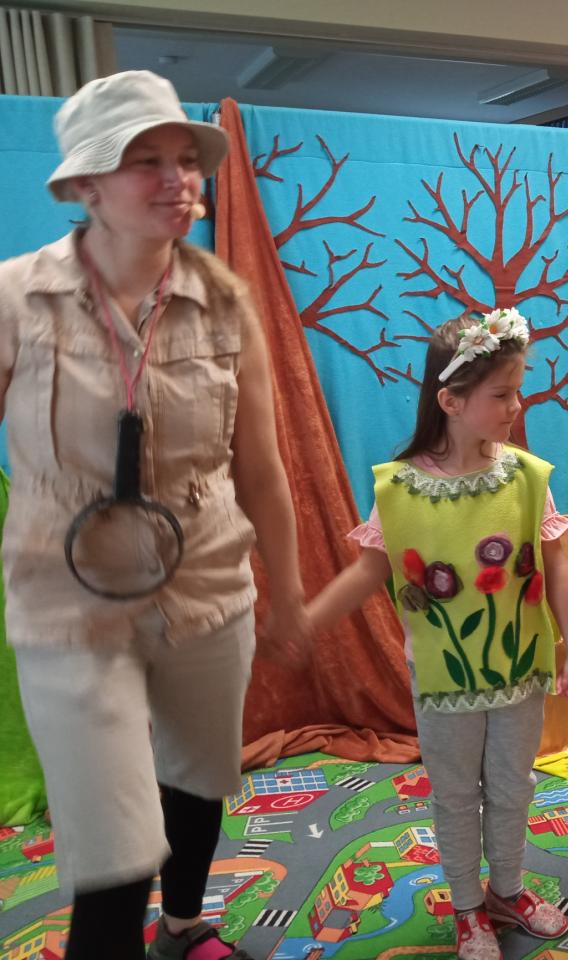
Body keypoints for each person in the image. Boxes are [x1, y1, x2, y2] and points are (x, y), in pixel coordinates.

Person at [0, 71, 310, 960]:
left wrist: (288, 595)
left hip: (205, 575)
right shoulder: (16, 298)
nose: (178, 179)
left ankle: (183, 926)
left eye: (186, 159)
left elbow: (261, 467)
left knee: (199, 777)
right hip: (69, 592)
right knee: (115, 845)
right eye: (146, 161)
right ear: (86, 186)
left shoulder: (228, 302)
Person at [305, 309, 568, 960]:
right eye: (502, 394)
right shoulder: (400, 488)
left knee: (514, 785)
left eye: (518, 391)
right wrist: (307, 621)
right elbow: (367, 573)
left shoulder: (528, 477)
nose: (516, 407)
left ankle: (507, 890)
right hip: (444, 677)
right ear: (451, 401)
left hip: (520, 669)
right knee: (458, 794)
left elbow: (556, 566)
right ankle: (467, 907)